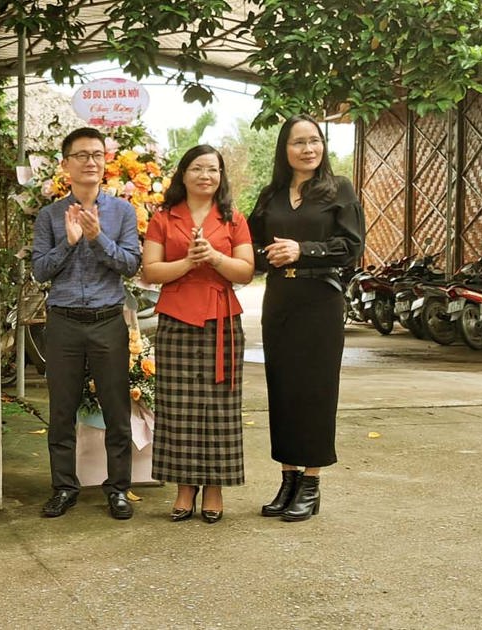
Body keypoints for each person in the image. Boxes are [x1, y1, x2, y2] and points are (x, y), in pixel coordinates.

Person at [248, 114, 365, 522]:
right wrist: (268, 255)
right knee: (282, 388)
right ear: (285, 149)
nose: (308, 148)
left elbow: (352, 246)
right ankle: (289, 478)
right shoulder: (271, 195)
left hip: (320, 300)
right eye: (299, 142)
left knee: (315, 390)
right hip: (280, 299)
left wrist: (303, 250)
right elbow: (252, 245)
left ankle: (312, 483)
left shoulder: (339, 190)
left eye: (315, 140)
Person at [32, 127, 143, 520]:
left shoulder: (122, 212)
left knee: (116, 410)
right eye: (81, 155)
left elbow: (132, 264)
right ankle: (64, 487)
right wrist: (71, 242)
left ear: (105, 162)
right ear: (66, 165)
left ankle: (118, 489)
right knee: (61, 411)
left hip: (106, 321)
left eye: (97, 154)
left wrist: (98, 239)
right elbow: (40, 271)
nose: (90, 161)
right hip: (62, 322)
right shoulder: (49, 215)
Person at [142, 145, 254, 524]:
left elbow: (246, 271)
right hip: (175, 317)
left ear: (221, 176)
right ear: (183, 174)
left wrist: (215, 259)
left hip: (221, 318)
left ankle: (215, 487)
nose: (205, 175)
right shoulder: (163, 217)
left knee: (219, 406)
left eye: (213, 169)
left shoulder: (233, 218)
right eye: (197, 168)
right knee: (178, 406)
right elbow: (150, 272)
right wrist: (189, 261)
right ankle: (184, 486)